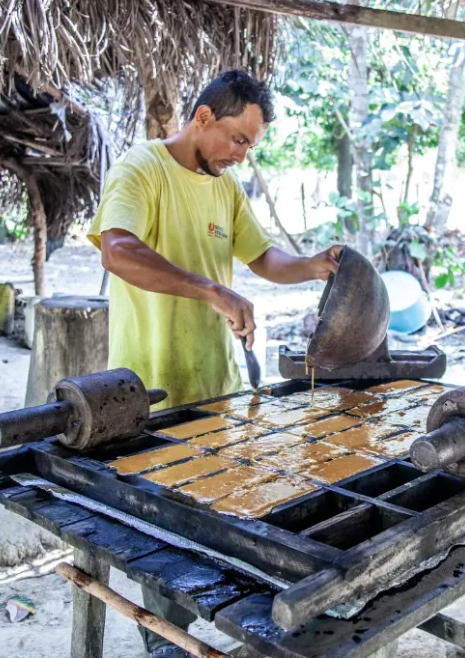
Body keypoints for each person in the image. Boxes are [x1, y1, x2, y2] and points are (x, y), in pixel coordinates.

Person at [88, 68, 340, 658]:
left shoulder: (225, 188)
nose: (242, 154)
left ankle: (220, 633)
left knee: (218, 520)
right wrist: (211, 289)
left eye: (251, 144)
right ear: (202, 117)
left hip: (218, 389)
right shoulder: (141, 169)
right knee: (160, 534)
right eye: (238, 138)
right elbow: (118, 252)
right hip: (150, 390)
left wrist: (314, 265)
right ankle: (164, 641)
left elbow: (262, 257)